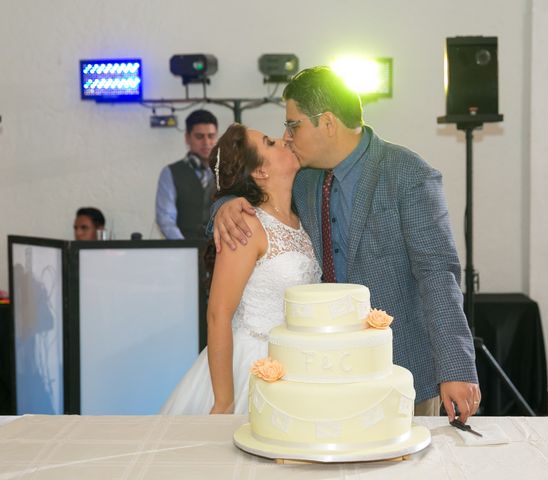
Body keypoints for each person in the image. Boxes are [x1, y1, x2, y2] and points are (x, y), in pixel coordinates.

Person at [212, 66, 481, 423]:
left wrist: (455, 366)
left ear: (326, 123)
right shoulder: (304, 180)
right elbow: (258, 204)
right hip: (321, 372)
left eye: (293, 125)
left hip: (399, 367)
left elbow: (438, 276)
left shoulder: (408, 174)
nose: (287, 136)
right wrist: (223, 208)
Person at [160, 123, 321, 415]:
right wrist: (224, 401)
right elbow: (218, 312)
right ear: (260, 171)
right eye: (270, 143)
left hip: (298, 360)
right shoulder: (245, 223)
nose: (285, 140)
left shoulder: (302, 217)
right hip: (252, 361)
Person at [155, 109, 219, 240]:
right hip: (184, 252)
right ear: (187, 138)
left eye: (211, 136)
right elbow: (165, 219)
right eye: (199, 136)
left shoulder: (228, 172)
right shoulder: (170, 173)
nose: (206, 142)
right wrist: (186, 248)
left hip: (223, 253)